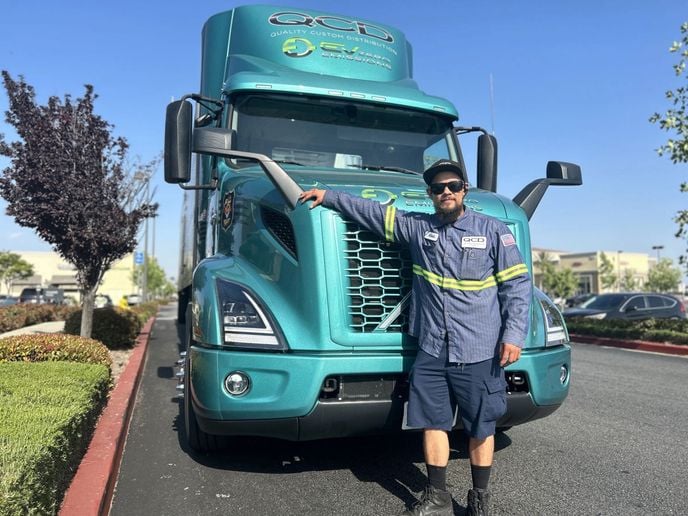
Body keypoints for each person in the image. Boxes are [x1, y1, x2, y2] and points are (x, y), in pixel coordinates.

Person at [299, 160, 531, 516]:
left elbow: (517, 286)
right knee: (432, 421)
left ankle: (480, 499)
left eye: (453, 185)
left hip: (480, 348)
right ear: (431, 195)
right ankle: (437, 497)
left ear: (464, 189)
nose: (446, 192)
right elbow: (374, 213)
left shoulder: (493, 231)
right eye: (439, 188)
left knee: (482, 424)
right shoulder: (418, 228)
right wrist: (329, 196)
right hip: (432, 347)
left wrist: (513, 335)